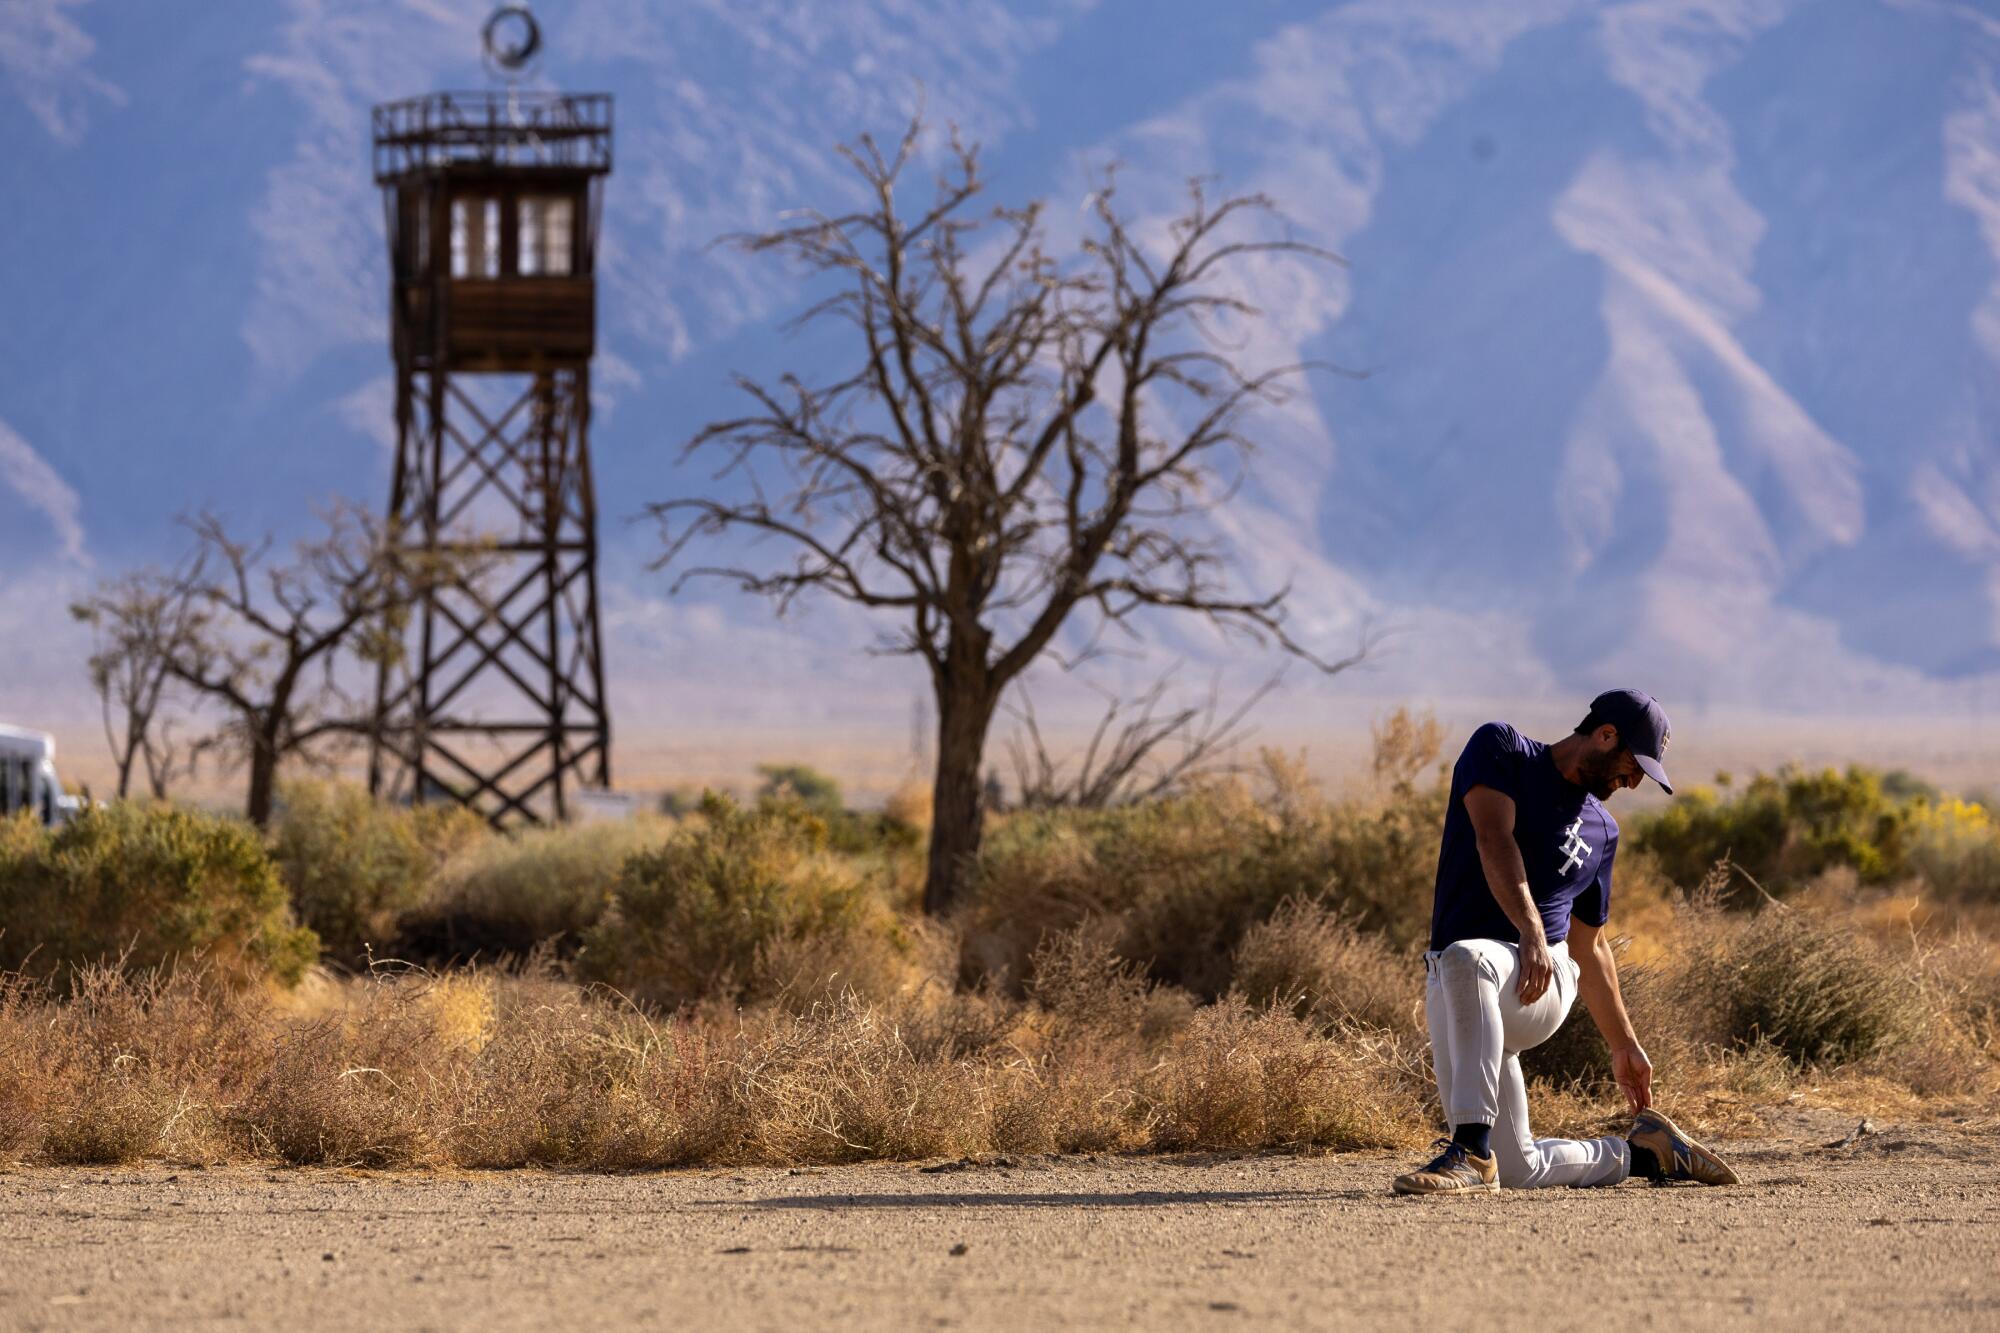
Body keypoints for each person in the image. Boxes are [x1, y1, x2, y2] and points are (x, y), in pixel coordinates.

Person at [1392, 688, 1739, 1195]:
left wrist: (1624, 1045)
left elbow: (1590, 946)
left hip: (1542, 980)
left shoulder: (1603, 831)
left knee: (1469, 960)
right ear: (1603, 735)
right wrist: (1528, 927)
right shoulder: (1501, 750)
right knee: (1518, 1169)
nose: (1633, 781)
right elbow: (1493, 837)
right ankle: (1645, 1156)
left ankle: (1468, 1151)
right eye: (1632, 765)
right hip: (1464, 978)